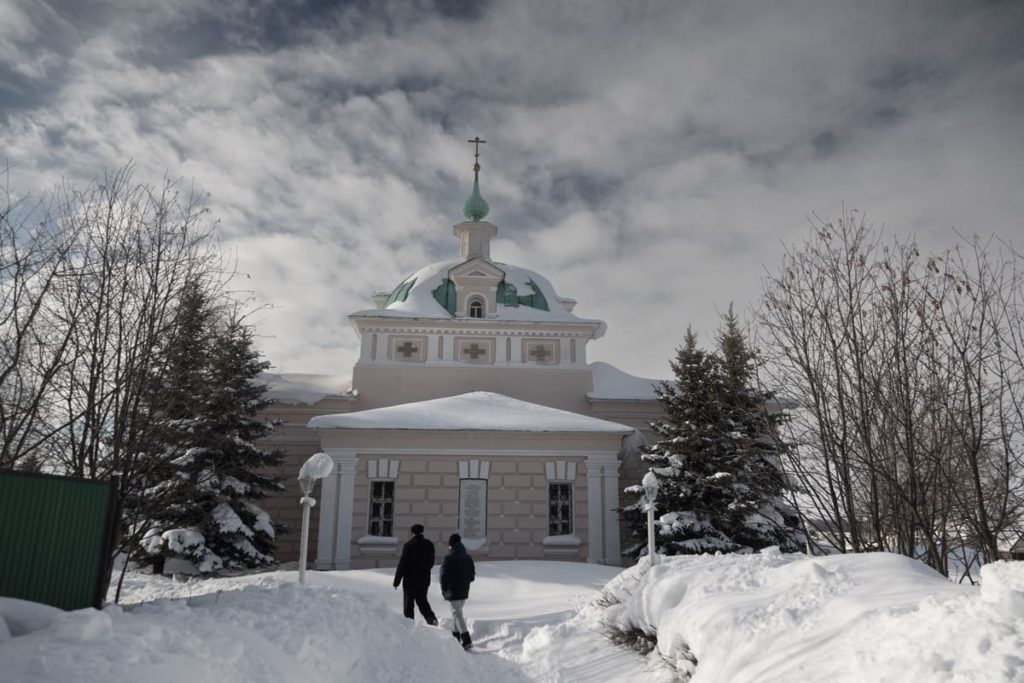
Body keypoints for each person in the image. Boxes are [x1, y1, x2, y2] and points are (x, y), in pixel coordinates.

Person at [393, 524, 438, 625]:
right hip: (424, 579)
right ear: (422, 532)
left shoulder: (409, 545)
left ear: (412, 533)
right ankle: (432, 619)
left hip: (410, 580)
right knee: (422, 601)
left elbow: (402, 564)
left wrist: (397, 581)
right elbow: (431, 562)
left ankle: (409, 625)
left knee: (408, 604)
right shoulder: (429, 544)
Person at [440, 533, 476, 651]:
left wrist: (444, 589)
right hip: (464, 591)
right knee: (457, 613)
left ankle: (466, 640)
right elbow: (472, 575)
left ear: (451, 544)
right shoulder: (468, 557)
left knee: (457, 614)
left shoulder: (448, 558)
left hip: (452, 591)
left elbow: (443, 576)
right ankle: (455, 638)